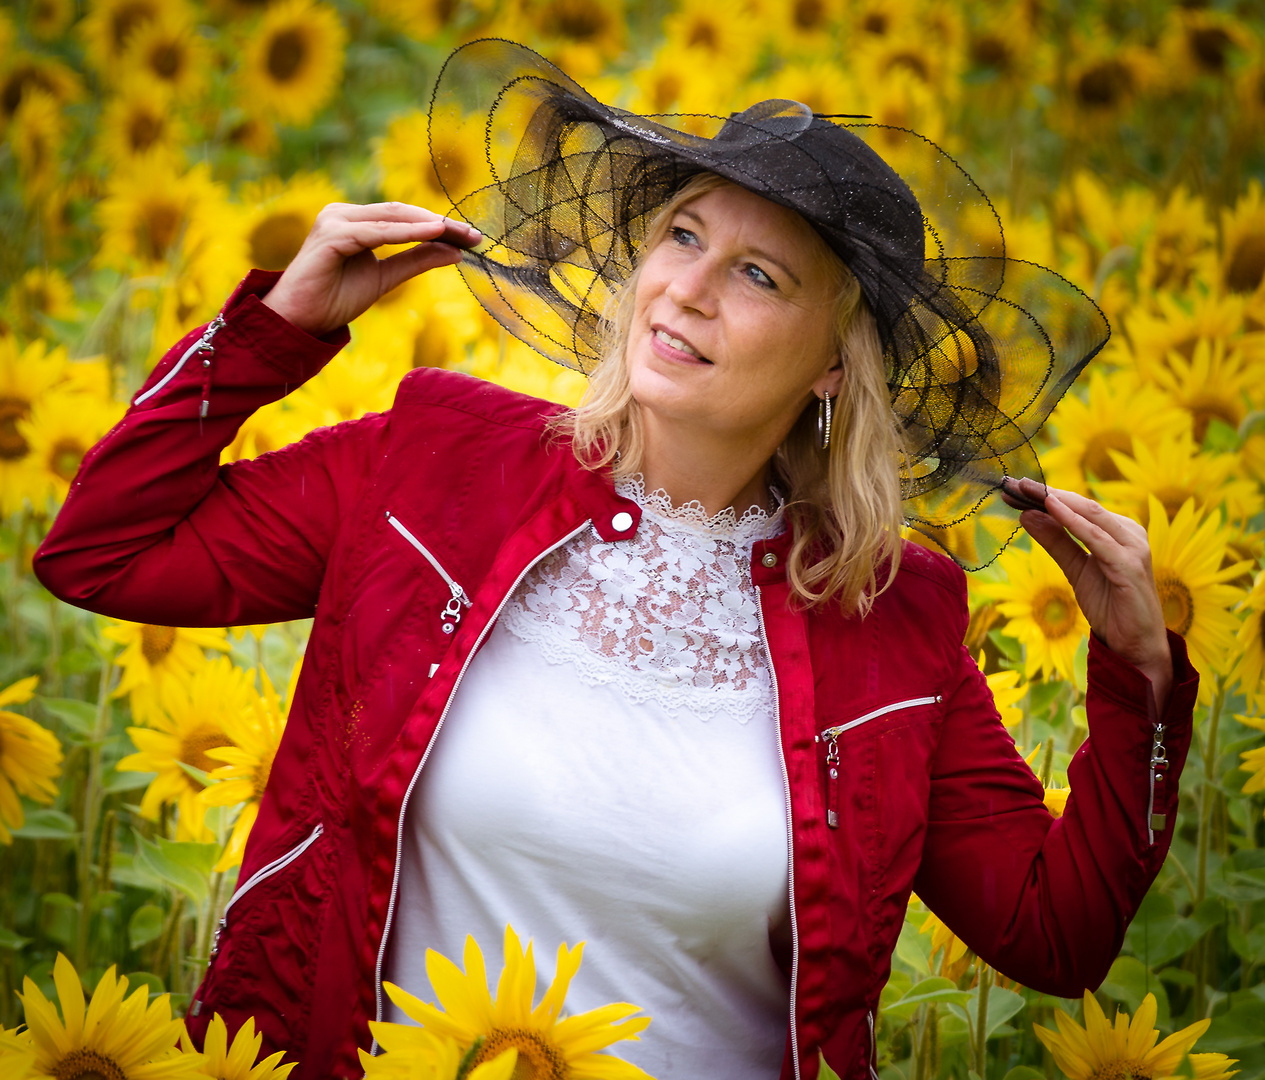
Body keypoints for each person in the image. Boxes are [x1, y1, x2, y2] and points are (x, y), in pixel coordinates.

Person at [35, 40, 1196, 1080]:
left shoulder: (895, 618)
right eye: (681, 236)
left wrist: (1136, 673)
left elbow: (1053, 939)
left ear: (833, 366)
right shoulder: (435, 466)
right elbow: (103, 554)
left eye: (758, 276)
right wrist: (272, 334)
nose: (684, 288)